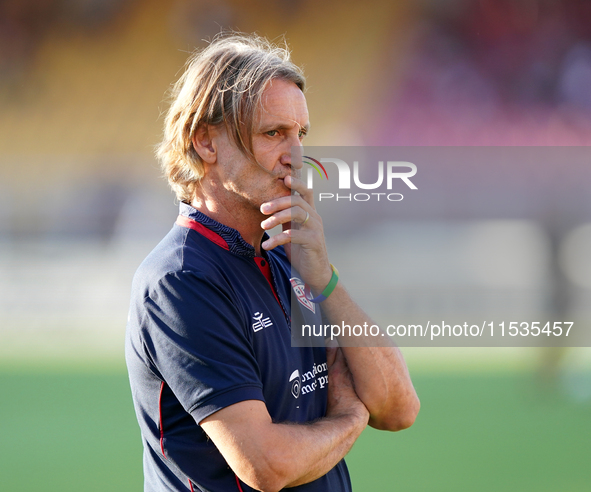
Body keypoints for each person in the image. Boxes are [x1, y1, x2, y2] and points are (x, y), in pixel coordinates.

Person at [125, 33, 420, 492]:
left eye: (301, 134)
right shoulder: (182, 279)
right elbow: (266, 465)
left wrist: (323, 278)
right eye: (273, 133)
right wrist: (347, 418)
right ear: (206, 142)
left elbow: (399, 407)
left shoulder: (291, 256)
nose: (296, 157)